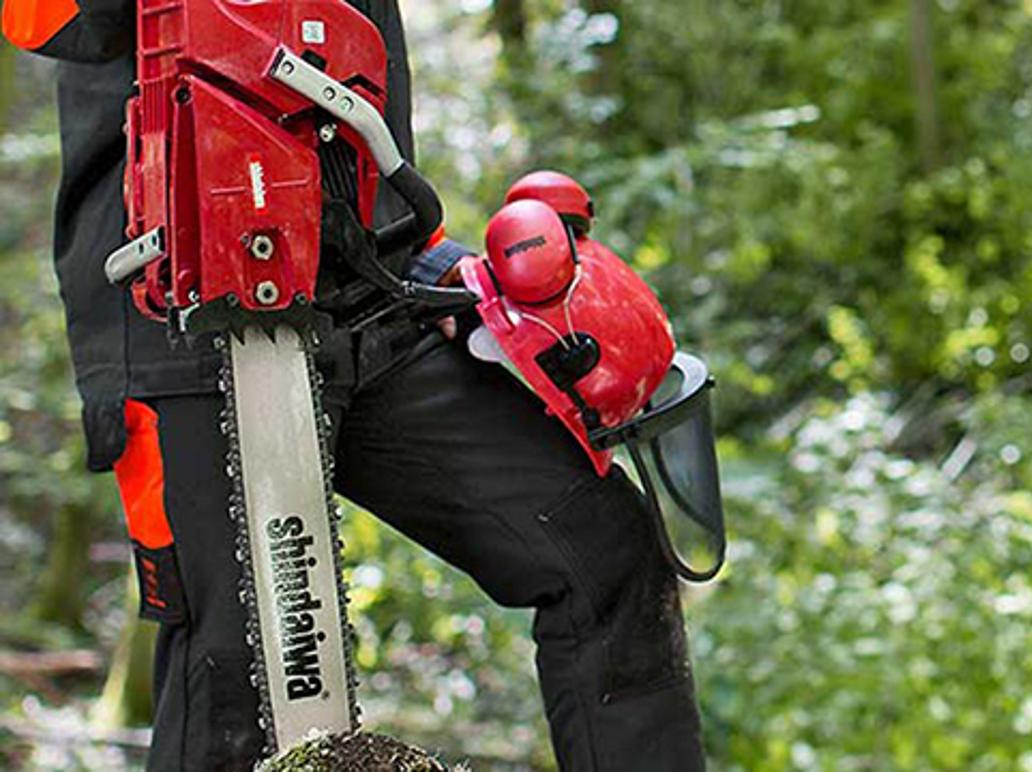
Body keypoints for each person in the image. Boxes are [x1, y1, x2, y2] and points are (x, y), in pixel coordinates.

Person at [2, 2, 706, 770]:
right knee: (234, 669)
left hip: (370, 278)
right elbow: (45, 20)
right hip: (175, 293)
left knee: (602, 551)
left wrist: (428, 254)